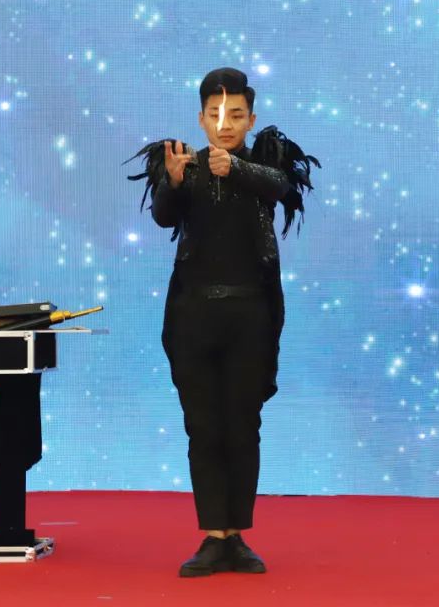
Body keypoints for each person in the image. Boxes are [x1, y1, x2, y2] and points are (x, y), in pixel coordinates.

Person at [128, 67, 318, 577]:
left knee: (243, 425)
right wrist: (172, 180)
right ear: (201, 119)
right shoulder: (185, 166)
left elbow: (281, 188)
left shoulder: (265, 162)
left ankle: (238, 535)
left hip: (250, 316)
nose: (225, 123)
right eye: (215, 114)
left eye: (235, 114)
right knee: (203, 427)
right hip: (193, 315)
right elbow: (164, 216)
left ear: (250, 119)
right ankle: (214, 536)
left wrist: (234, 167)